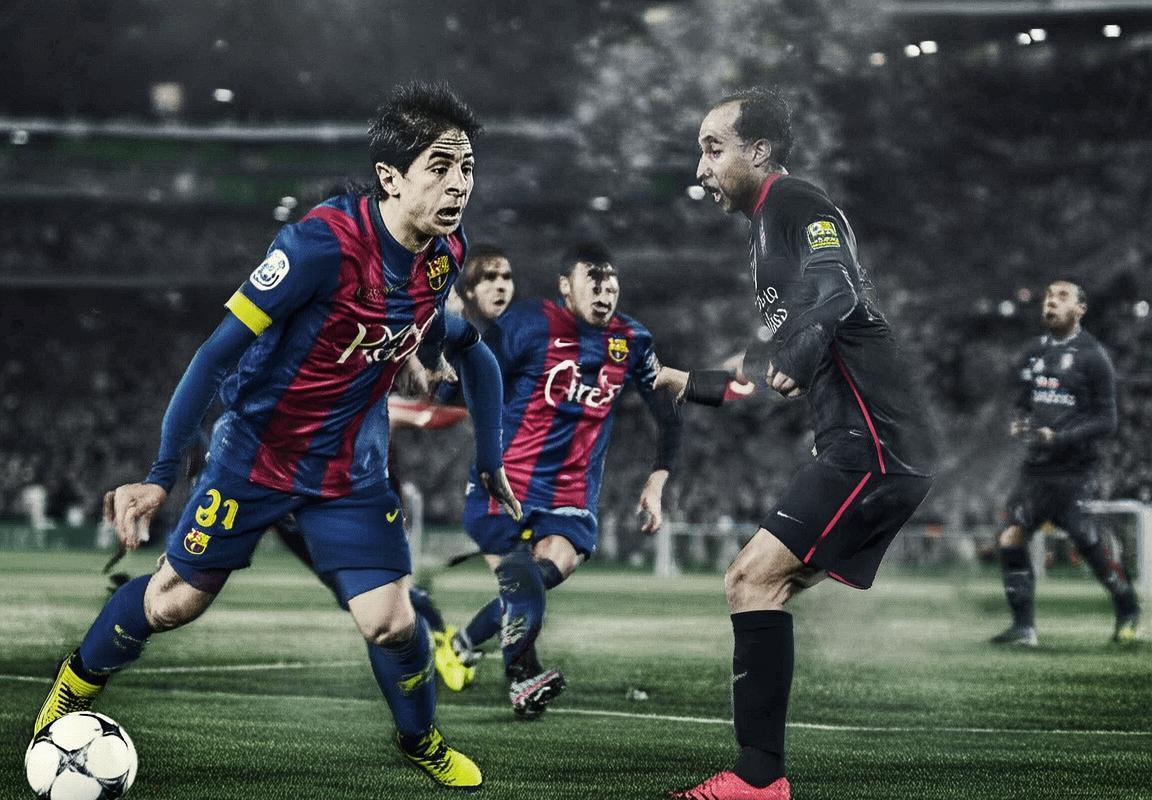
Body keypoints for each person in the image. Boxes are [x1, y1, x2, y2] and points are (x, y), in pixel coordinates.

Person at [33, 81, 523, 790]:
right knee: (173, 602)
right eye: (440, 167)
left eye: (467, 167)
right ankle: (75, 683)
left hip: (349, 470)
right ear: (390, 177)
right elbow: (214, 355)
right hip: (255, 457)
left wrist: (487, 455)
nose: (459, 184)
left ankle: (420, 740)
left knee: (393, 622)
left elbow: (468, 349)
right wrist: (161, 473)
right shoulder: (318, 246)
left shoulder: (446, 253)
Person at [655, 88, 937, 800]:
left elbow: (838, 292)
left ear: (759, 152)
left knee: (750, 580)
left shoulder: (795, 202)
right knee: (762, 586)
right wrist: (691, 383)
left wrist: (803, 350)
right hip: (870, 443)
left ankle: (759, 779)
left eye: (713, 149)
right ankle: (761, 775)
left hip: (873, 445)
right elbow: (773, 370)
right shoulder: (765, 229)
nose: (700, 168)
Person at [454, 242, 683, 719]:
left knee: (543, 572)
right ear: (565, 286)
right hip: (509, 486)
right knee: (522, 580)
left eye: (611, 288)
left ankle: (466, 643)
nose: (603, 296)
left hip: (570, 494)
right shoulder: (527, 324)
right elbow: (475, 376)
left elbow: (667, 414)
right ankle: (522, 678)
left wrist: (656, 481)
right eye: (592, 285)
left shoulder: (631, 340)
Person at [990, 280, 1140, 647]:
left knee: (1087, 542)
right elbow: (1022, 400)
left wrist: (1059, 437)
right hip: (1036, 470)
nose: (1051, 302)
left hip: (1076, 471)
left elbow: (1107, 421)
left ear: (1080, 309)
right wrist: (1019, 421)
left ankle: (1128, 609)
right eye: (1048, 296)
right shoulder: (1034, 351)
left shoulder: (1094, 356)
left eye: (1062, 297)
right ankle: (1023, 628)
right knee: (1010, 538)